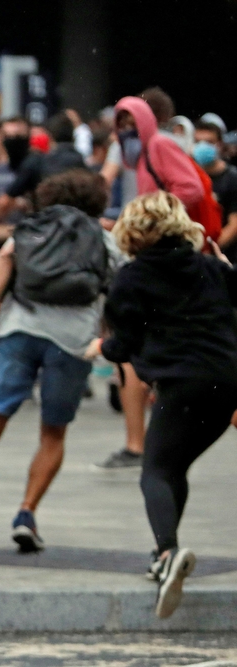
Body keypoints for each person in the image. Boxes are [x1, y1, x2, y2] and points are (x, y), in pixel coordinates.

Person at [0, 170, 123, 552]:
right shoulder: (105, 239)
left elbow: (3, 263)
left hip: (19, 328)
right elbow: (119, 292)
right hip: (73, 341)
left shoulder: (30, 228)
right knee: (53, 433)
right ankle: (26, 513)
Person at [85, 191, 237, 619]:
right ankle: (162, 552)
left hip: (181, 383)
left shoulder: (132, 279)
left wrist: (101, 346)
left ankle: (168, 554)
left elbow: (126, 343)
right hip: (226, 383)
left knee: (154, 468)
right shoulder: (208, 267)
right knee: (176, 465)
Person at [94, 95, 204, 470]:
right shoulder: (143, 155)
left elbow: (191, 189)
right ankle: (139, 444)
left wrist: (147, 218)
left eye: (129, 123)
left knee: (142, 355)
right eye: (119, 124)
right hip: (158, 260)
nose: (125, 131)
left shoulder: (158, 145)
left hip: (166, 260)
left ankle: (139, 445)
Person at [0, 111, 87, 222]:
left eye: (18, 135)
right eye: (9, 136)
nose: (13, 140)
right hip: (77, 225)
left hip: (47, 225)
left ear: (49, 136)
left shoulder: (37, 162)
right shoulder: (82, 163)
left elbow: (4, 202)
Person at [192, 121, 237, 259]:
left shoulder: (232, 178)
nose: (202, 146)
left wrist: (210, 250)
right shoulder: (189, 176)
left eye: (209, 142)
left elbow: (234, 224)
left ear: (220, 144)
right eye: (197, 141)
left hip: (222, 255)